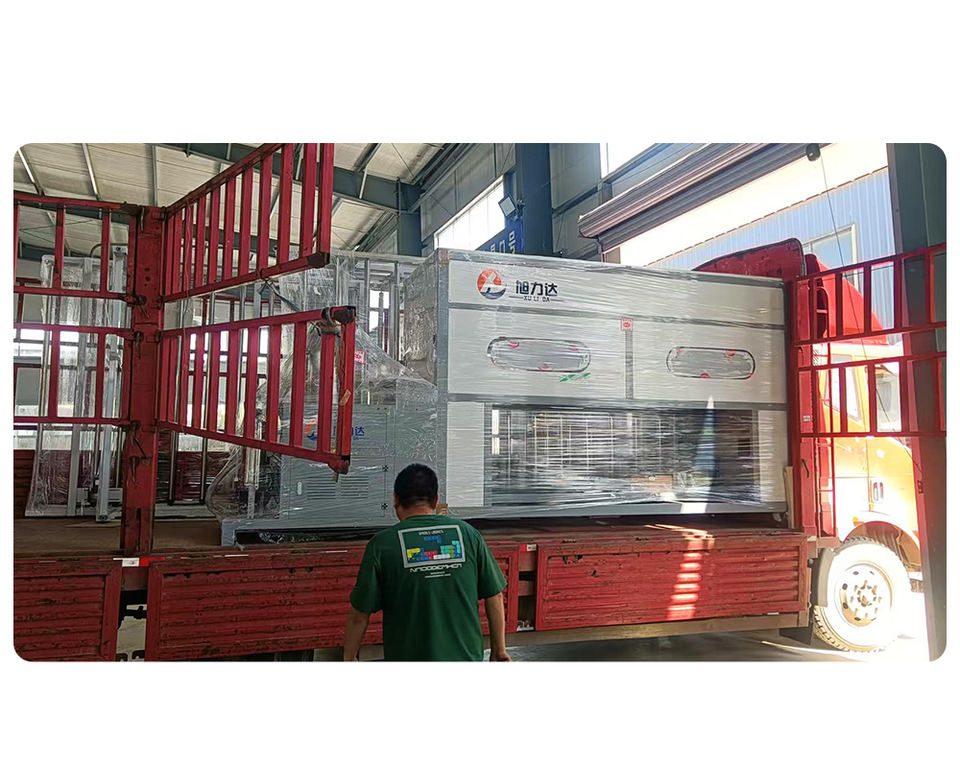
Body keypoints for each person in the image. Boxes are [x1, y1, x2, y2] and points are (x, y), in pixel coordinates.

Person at [343, 463, 511, 662]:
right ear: (436, 500)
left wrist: (349, 658)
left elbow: (359, 615)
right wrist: (499, 650)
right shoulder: (468, 534)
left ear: (396, 499)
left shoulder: (382, 544)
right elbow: (494, 596)